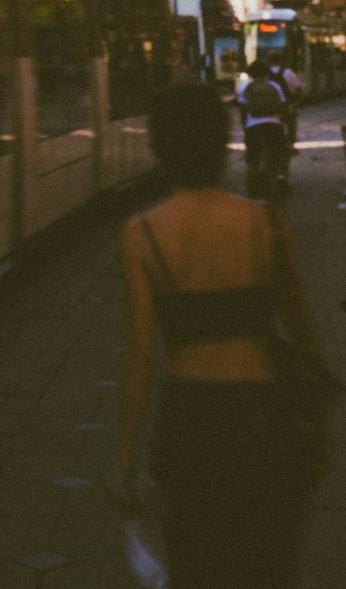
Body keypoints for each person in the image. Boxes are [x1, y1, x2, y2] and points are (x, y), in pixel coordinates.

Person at [110, 81, 332, 589]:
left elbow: (141, 352)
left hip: (190, 424)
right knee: (272, 568)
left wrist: (125, 459)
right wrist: (320, 428)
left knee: (196, 567)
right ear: (220, 144)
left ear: (160, 148)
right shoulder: (266, 225)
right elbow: (304, 333)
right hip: (266, 419)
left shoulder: (142, 235)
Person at [236, 56, 288, 196]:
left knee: (252, 160)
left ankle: (252, 188)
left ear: (251, 74)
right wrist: (281, 120)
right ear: (267, 73)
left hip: (253, 126)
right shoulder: (275, 86)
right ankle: (279, 178)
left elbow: (242, 108)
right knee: (277, 154)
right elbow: (283, 105)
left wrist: (245, 126)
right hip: (273, 124)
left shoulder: (246, 87)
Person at [268, 48, 304, 153]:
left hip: (270, 105)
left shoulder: (266, 73)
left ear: (269, 61)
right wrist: (300, 100)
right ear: (281, 60)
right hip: (286, 105)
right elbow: (298, 88)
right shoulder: (288, 72)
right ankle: (291, 144)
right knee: (291, 122)